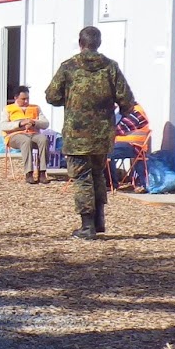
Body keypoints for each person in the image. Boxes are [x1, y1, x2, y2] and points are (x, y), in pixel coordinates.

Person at [45, 26, 137, 239]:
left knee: (82, 178)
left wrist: (69, 100)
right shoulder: (110, 68)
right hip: (102, 135)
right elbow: (127, 101)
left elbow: (52, 96)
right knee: (98, 174)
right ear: (99, 43)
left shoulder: (69, 67)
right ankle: (98, 221)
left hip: (77, 136)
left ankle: (87, 227)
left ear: (80, 42)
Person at [3, 86, 51, 183]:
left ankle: (42, 172)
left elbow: (46, 123)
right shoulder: (8, 109)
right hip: (15, 135)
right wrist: (20, 123)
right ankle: (29, 173)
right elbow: (3, 125)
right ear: (16, 98)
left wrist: (34, 122)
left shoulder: (35, 108)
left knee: (43, 140)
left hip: (33, 133)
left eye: (27, 98)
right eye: (23, 99)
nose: (26, 101)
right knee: (26, 141)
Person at [110, 103, 152, 190]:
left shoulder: (135, 113)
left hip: (133, 147)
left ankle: (111, 184)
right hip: (123, 145)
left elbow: (117, 129)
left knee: (103, 152)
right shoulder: (126, 111)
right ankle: (109, 183)